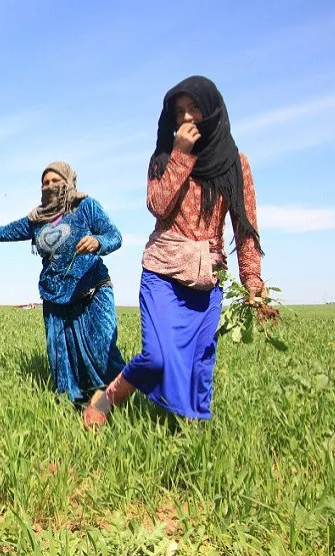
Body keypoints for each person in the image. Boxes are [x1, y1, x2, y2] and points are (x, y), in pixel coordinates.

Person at [84, 75, 267, 427]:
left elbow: (245, 227)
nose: (186, 118)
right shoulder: (164, 158)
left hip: (207, 277)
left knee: (200, 363)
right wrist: (180, 156)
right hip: (163, 271)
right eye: (179, 111)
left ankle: (191, 435)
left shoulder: (236, 163)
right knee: (156, 357)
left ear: (211, 110)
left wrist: (252, 280)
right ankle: (109, 398)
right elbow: (158, 205)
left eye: (194, 108)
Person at [0, 161, 125, 403]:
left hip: (91, 289)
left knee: (102, 349)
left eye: (56, 181)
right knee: (62, 356)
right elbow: (4, 232)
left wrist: (97, 242)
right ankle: (74, 404)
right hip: (55, 294)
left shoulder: (86, 206)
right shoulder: (37, 218)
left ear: (68, 181)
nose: (50, 186)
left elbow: (114, 235)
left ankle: (115, 399)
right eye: (45, 182)